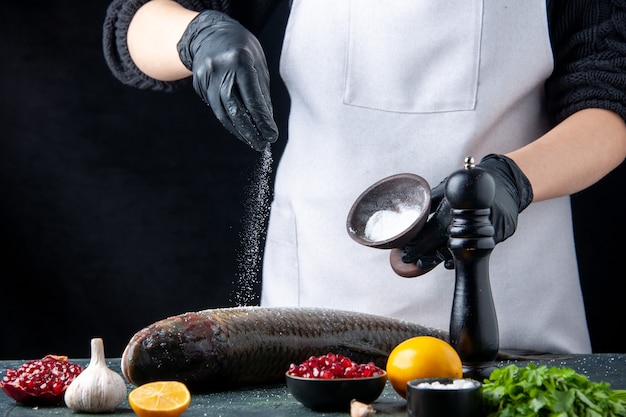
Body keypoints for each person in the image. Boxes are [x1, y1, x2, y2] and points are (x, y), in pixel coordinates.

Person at [102, 0, 626, 354]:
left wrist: (512, 181)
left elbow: (610, 97)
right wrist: (196, 35)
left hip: (508, 302)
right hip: (315, 314)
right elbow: (135, 22)